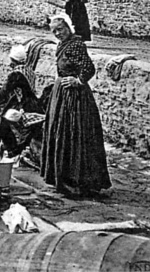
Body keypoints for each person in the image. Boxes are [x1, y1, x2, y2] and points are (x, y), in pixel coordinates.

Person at [41, 13, 111, 196]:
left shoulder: (76, 44)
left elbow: (88, 68)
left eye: (60, 29)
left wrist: (77, 81)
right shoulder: (63, 45)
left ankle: (78, 180)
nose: (57, 33)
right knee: (61, 132)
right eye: (54, 31)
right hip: (62, 94)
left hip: (76, 97)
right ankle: (64, 178)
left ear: (68, 28)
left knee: (75, 133)